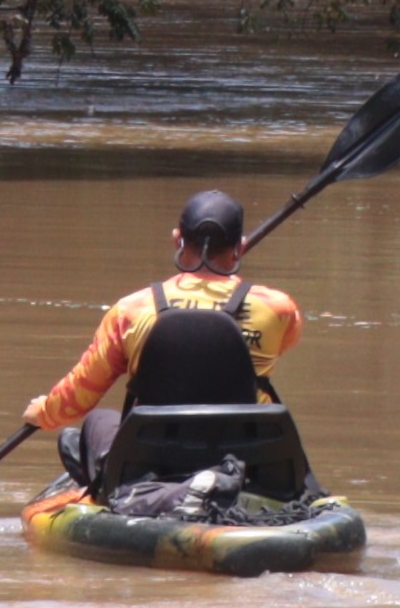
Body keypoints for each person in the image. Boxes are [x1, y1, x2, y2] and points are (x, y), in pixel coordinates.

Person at [25, 188, 312, 504]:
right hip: (249, 457)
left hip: (156, 456)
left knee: (96, 422)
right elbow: (286, 343)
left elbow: (80, 396)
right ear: (240, 247)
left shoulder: (131, 310)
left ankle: (145, 488)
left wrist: (46, 412)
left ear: (178, 240)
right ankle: (219, 483)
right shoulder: (279, 309)